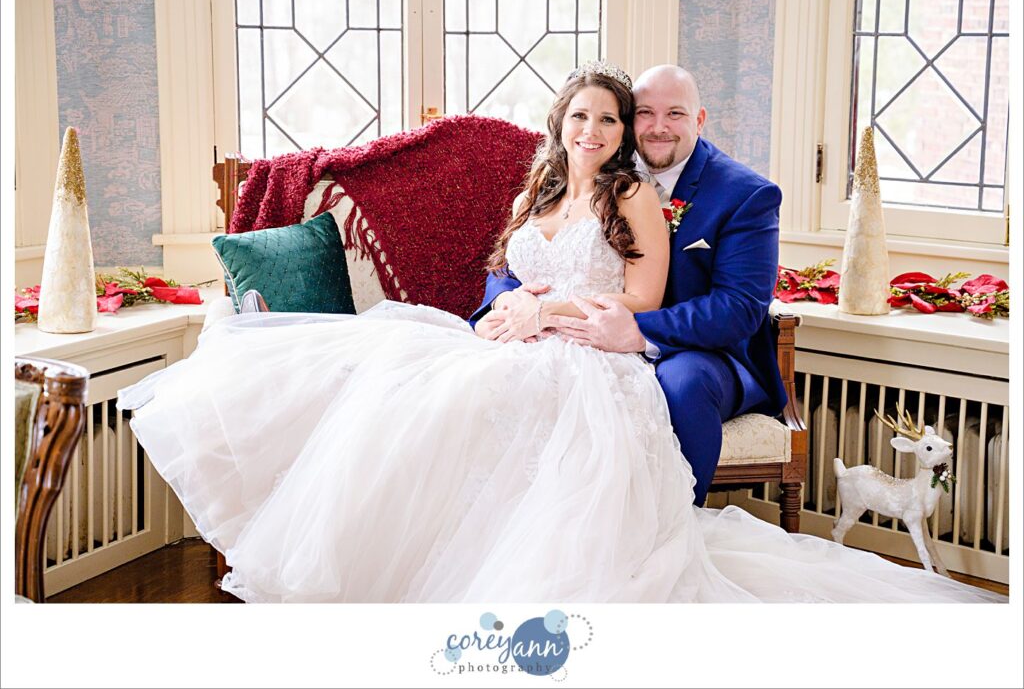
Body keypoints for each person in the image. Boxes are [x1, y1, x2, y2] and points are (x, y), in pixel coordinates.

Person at [117, 62, 1002, 603]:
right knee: (400, 372)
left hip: (646, 347)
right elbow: (511, 272)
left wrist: (552, 314)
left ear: (691, 123)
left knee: (619, 388)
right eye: (597, 116)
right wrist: (508, 307)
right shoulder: (535, 194)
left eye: (628, 118)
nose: (622, 129)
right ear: (563, 125)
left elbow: (684, 304)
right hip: (546, 335)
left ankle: (660, 526)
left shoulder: (673, 194)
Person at [471, 65, 784, 507]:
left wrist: (641, 332)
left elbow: (737, 308)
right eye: (645, 113)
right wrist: (503, 306)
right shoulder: (592, 161)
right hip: (575, 332)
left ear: (699, 120)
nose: (658, 127)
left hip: (698, 348)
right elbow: (517, 258)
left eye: (675, 114)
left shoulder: (745, 194)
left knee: (683, 382)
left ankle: (674, 521)